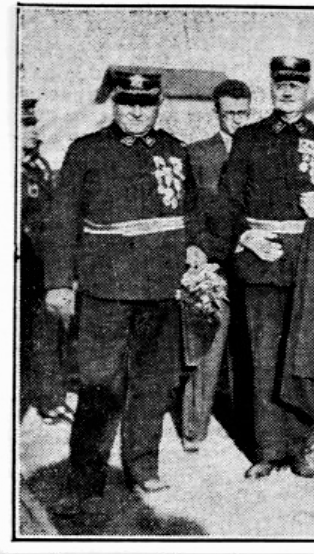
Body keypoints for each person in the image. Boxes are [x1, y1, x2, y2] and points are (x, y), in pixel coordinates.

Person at [44, 71, 212, 515]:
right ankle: (84, 482)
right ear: (114, 103)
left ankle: (142, 466)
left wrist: (195, 244)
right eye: (128, 102)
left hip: (162, 290)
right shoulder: (87, 150)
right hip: (106, 290)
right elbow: (62, 220)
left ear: (158, 104)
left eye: (146, 103)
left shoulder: (175, 150)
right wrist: (58, 282)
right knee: (100, 389)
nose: (137, 111)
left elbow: (192, 210)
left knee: (153, 385)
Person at [218, 56, 314, 479]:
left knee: (305, 353)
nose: (287, 92)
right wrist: (246, 237)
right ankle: (267, 450)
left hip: (311, 262)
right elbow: (227, 200)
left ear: (306, 89)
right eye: (280, 84)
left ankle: (300, 447)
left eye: (296, 85)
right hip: (261, 261)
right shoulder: (249, 138)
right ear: (271, 88)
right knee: (263, 356)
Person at [180, 79, 252, 452]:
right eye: (230, 114)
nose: (237, 120)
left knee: (249, 348)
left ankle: (245, 424)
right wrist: (197, 247)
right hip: (213, 263)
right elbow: (188, 211)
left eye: (243, 113)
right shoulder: (197, 155)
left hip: (254, 263)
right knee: (207, 345)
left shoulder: (261, 149)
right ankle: (194, 428)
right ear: (217, 112)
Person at [19, 98, 75, 424]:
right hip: (23, 269)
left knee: (48, 335)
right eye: (25, 125)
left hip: (43, 268)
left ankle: (51, 400)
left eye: (33, 124)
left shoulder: (37, 166)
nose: (34, 131)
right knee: (27, 337)